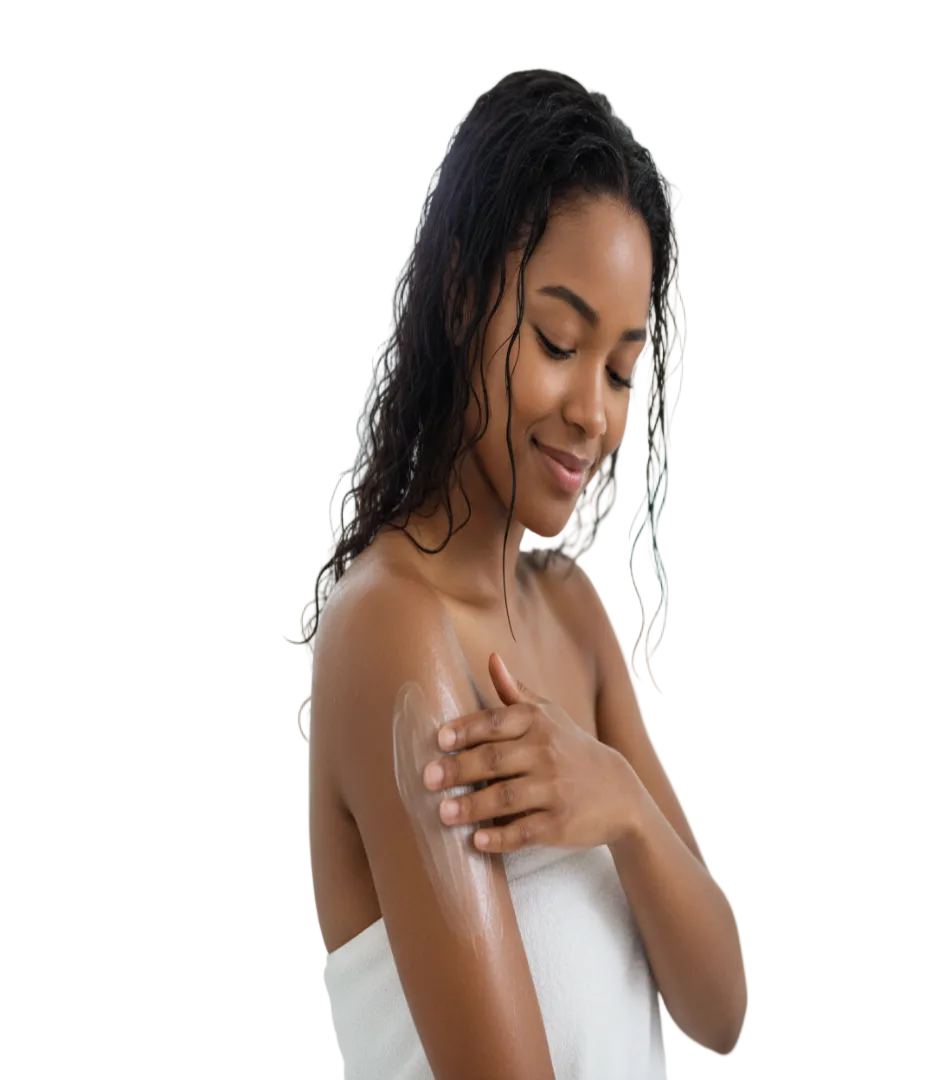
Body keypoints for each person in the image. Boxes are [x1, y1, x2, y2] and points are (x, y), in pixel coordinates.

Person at [298, 69, 747, 1079]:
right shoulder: (391, 634)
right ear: (462, 298)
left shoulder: (572, 616)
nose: (593, 411)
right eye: (558, 341)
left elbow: (720, 1006)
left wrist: (621, 802)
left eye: (621, 368)